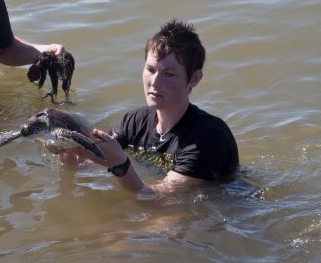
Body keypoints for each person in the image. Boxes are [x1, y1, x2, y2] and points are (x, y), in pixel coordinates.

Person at [56, 19, 238, 195]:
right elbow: (95, 166)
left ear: (194, 79)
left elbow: (155, 197)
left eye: (169, 74)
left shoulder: (209, 137)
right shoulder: (135, 121)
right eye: (150, 69)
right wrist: (69, 158)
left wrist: (120, 165)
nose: (155, 82)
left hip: (220, 209)